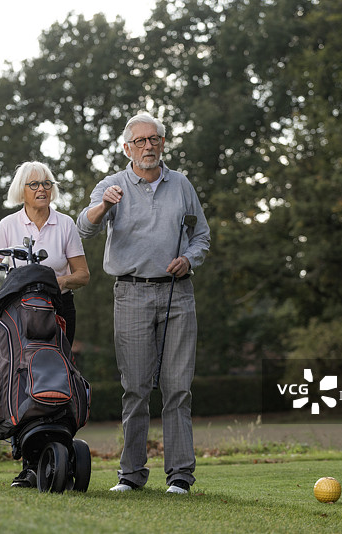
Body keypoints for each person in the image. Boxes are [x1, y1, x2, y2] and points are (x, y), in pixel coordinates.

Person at [76, 112, 210, 494]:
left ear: (163, 143)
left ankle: (180, 477)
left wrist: (189, 259)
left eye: (154, 140)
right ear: (126, 148)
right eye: (140, 142)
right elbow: (83, 227)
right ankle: (131, 476)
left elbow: (201, 236)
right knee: (135, 388)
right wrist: (104, 205)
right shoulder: (111, 185)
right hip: (131, 293)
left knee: (177, 389)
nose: (148, 147)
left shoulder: (182, 185)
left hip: (177, 294)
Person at [0, 160, 89, 487]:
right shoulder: (9, 224)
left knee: (54, 372)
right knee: (19, 376)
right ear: (21, 190)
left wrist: (52, 281)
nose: (42, 190)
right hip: (15, 312)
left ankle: (55, 453)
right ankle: (29, 464)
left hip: (57, 308)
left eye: (47, 184)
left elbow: (83, 275)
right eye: (34, 185)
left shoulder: (65, 224)